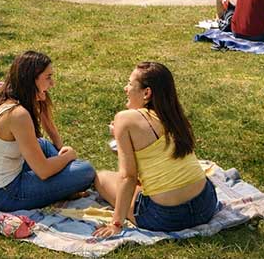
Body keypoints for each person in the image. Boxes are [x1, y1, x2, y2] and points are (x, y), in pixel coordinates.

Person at [93, 62, 219, 237]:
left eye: (130, 83)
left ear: (147, 92)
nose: (125, 88)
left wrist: (116, 223)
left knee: (102, 177)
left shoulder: (124, 119)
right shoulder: (173, 115)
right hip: (205, 205)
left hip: (166, 217)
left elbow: (128, 177)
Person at [0, 51, 95, 212]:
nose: (53, 83)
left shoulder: (1, 95)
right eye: (48, 77)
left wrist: (60, 148)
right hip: (0, 195)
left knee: (41, 144)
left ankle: (66, 181)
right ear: (31, 79)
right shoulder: (18, 115)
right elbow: (43, 171)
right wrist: (69, 156)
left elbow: (49, 128)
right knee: (86, 171)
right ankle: (67, 182)